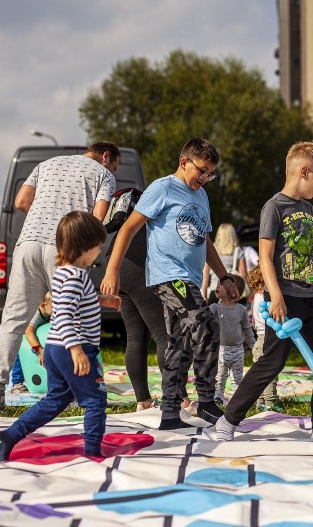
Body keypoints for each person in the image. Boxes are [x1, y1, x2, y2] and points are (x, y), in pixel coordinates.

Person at [101, 138, 239, 430]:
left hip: (188, 276)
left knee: (178, 343)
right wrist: (112, 268)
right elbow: (128, 228)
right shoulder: (162, 188)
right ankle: (205, 401)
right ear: (184, 162)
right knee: (207, 324)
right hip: (168, 275)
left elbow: (205, 241)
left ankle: (171, 413)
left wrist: (224, 276)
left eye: (210, 174)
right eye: (201, 170)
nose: (204, 178)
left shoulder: (201, 196)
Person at [214, 141, 313, 441]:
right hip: (283, 297)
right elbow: (266, 257)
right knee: (272, 360)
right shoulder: (274, 207)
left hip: (312, 297)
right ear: (304, 171)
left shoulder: (308, 208)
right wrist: (276, 296)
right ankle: (228, 420)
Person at [0, 141, 120, 410]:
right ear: (106, 157)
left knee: (13, 318)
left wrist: (43, 218)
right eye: (114, 166)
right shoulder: (104, 175)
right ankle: (71, 389)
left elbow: (22, 201)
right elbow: (97, 220)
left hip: (28, 244)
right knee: (69, 315)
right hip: (66, 247)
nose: (113, 170)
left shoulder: (45, 164)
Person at [0, 211, 120, 461]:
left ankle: (10, 435)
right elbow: (62, 316)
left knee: (55, 401)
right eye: (97, 247)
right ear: (84, 247)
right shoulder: (76, 276)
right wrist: (76, 350)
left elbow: (72, 302)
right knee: (95, 400)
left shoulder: (63, 273)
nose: (99, 253)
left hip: (55, 348)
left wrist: (102, 300)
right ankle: (93, 452)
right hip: (71, 348)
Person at [102, 187, 188, 413]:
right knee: (163, 335)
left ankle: (143, 400)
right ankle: (180, 398)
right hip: (140, 265)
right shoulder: (164, 202)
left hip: (118, 263)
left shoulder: (133, 205)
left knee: (135, 336)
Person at [210, 273, 256, 405]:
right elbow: (205, 314)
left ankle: (236, 400)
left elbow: (247, 328)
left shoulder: (241, 310)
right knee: (220, 377)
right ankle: (218, 397)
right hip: (221, 349)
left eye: (221, 285)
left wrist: (253, 344)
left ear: (233, 291)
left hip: (237, 350)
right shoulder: (216, 308)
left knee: (237, 378)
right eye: (218, 284)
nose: (217, 286)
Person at [247, 266, 281, 411]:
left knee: (260, 372)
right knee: (270, 373)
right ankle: (270, 403)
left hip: (259, 338)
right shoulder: (266, 298)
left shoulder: (256, 297)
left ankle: (259, 401)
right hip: (267, 339)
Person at [9, 292, 51, 395]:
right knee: (19, 350)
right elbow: (28, 332)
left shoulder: (50, 312)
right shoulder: (35, 314)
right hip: (20, 333)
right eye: (55, 304)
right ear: (43, 304)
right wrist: (39, 350)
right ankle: (17, 383)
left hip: (31, 334)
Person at [202, 223, 247, 303]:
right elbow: (243, 275)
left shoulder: (211, 251)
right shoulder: (238, 251)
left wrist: (204, 296)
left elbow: (205, 277)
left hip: (215, 291)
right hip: (232, 292)